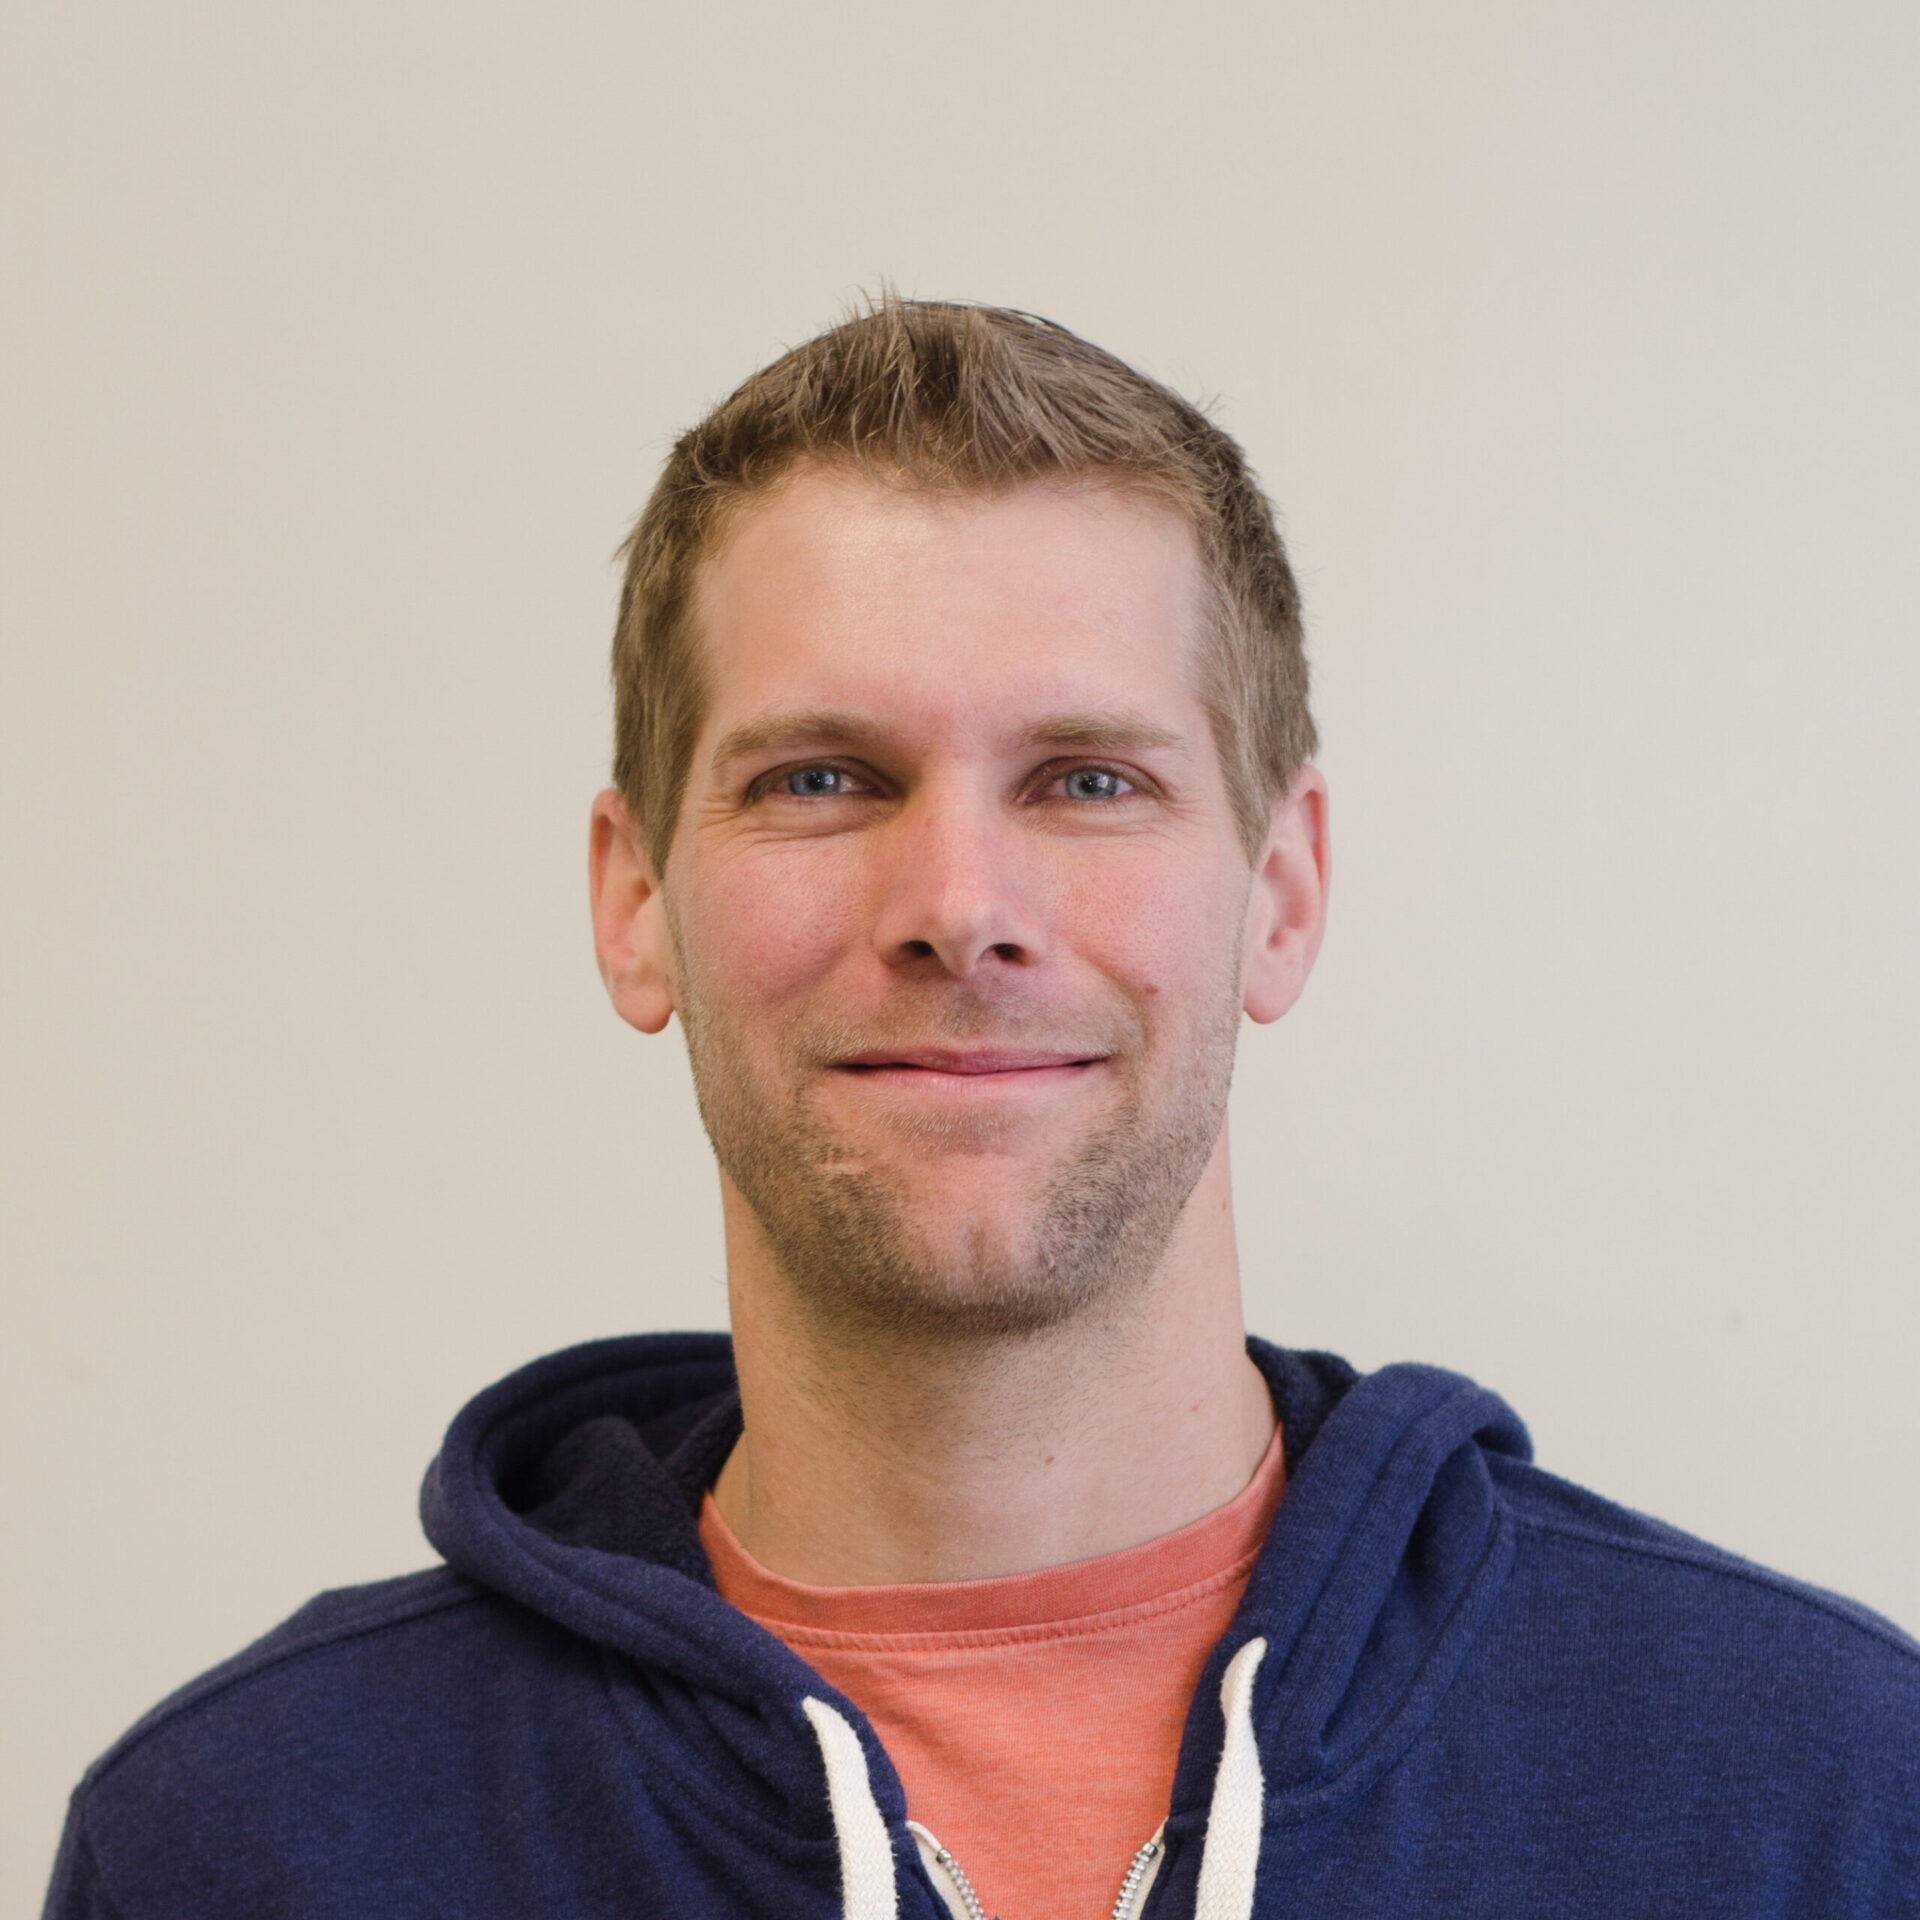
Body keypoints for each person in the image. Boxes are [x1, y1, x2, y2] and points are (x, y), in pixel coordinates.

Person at [45, 297, 1920, 1920]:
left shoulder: (1820, 1796)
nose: (959, 906)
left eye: (1091, 780)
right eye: (823, 779)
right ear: (635, 902)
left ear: (1281, 889)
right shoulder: (245, 1840)